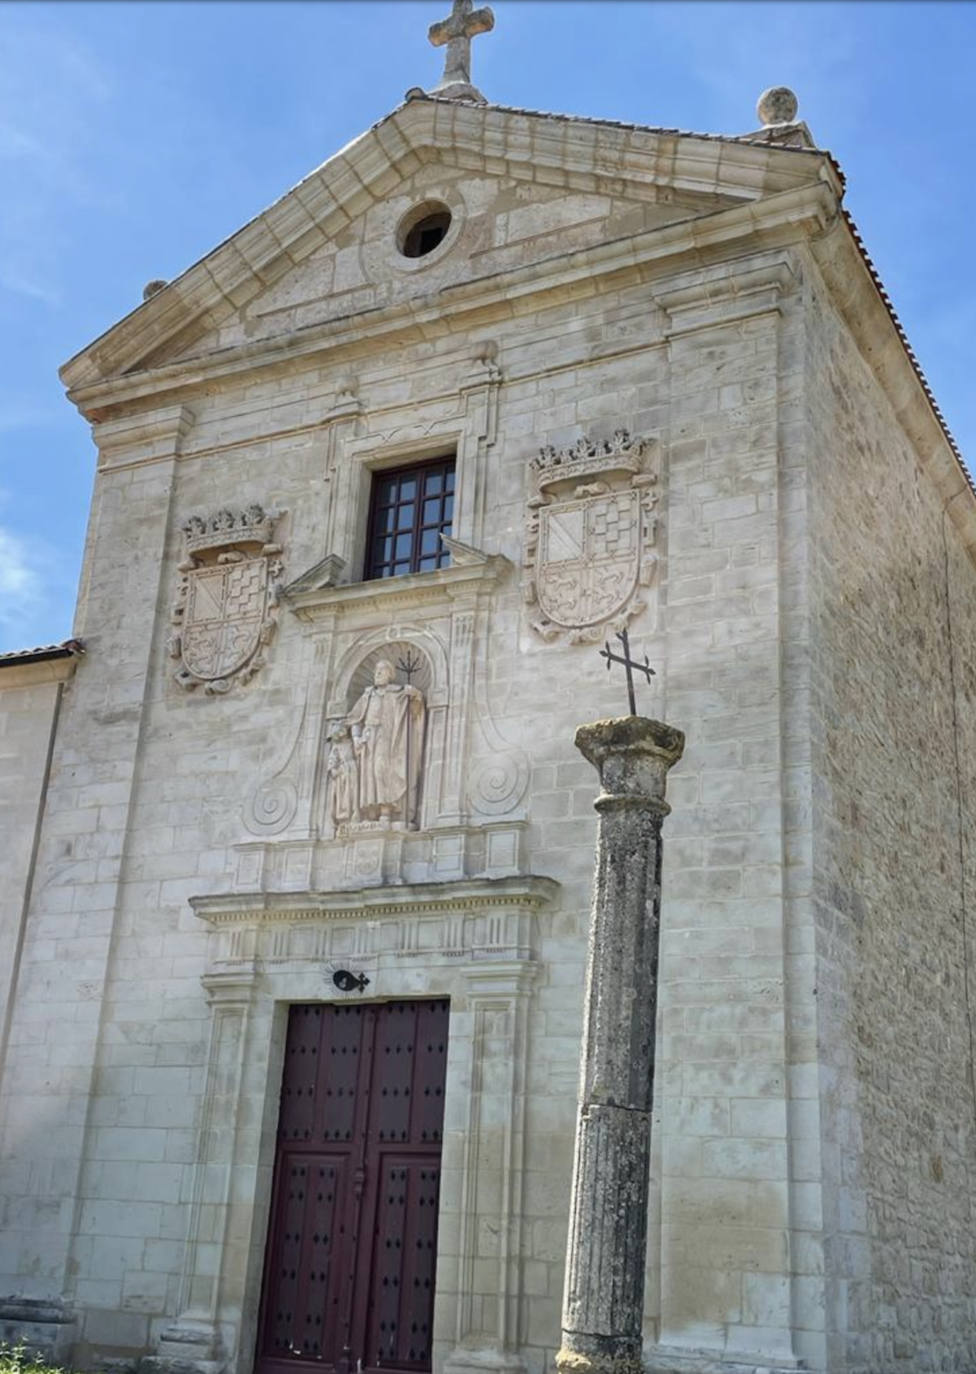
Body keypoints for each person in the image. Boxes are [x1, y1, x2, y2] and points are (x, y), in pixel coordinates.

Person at [345, 659, 426, 827]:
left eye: (382, 670)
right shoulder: (367, 695)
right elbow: (355, 719)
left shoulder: (397, 693)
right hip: (368, 739)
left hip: (389, 739)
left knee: (382, 770)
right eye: (376, 670)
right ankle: (370, 813)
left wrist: (415, 695)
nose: (378, 673)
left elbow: (415, 713)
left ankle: (386, 811)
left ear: (391, 674)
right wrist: (356, 738)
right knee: (368, 776)